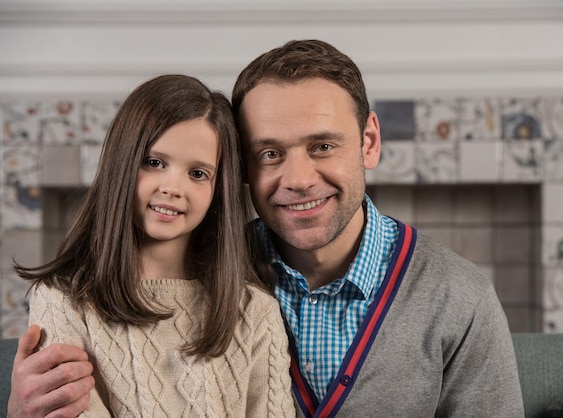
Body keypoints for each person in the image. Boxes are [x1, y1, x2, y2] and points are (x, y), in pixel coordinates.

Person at [9, 40, 525, 417]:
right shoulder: (224, 269)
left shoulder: (459, 297)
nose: (299, 179)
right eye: (270, 153)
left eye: (323, 146)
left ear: (368, 141)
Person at [9, 74, 294, 417]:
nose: (173, 187)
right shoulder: (64, 301)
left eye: (198, 173)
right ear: (122, 164)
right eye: (154, 162)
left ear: (219, 189)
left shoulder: (255, 310)